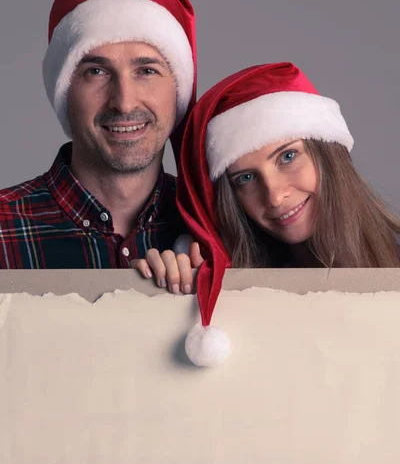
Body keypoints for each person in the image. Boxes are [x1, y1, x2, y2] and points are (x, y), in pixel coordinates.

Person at [132, 62, 400, 366]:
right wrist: (171, 290)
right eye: (245, 179)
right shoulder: (236, 301)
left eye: (288, 156)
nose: (274, 195)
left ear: (328, 154)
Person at [0, 0, 196, 268]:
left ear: (177, 91)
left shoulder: (216, 231)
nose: (125, 102)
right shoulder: (3, 229)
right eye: (96, 71)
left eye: (146, 70)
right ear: (64, 93)